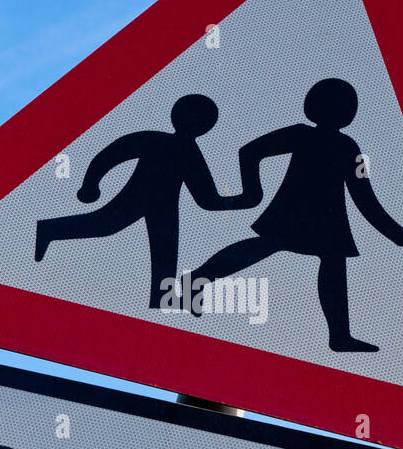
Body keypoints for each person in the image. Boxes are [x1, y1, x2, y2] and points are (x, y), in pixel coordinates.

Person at [188, 78, 403, 351]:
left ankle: (339, 336)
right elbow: (250, 151)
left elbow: (363, 193)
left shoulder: (349, 147)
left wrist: (392, 230)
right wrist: (253, 192)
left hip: (327, 217)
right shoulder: (306, 135)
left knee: (326, 259)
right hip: (296, 209)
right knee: (272, 248)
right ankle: (194, 282)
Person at [35, 94, 248, 309]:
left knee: (164, 250)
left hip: (163, 207)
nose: (197, 123)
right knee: (106, 225)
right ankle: (49, 229)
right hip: (137, 198)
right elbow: (110, 155)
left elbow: (206, 199)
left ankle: (161, 298)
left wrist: (239, 201)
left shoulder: (181, 149)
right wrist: (90, 185)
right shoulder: (162, 142)